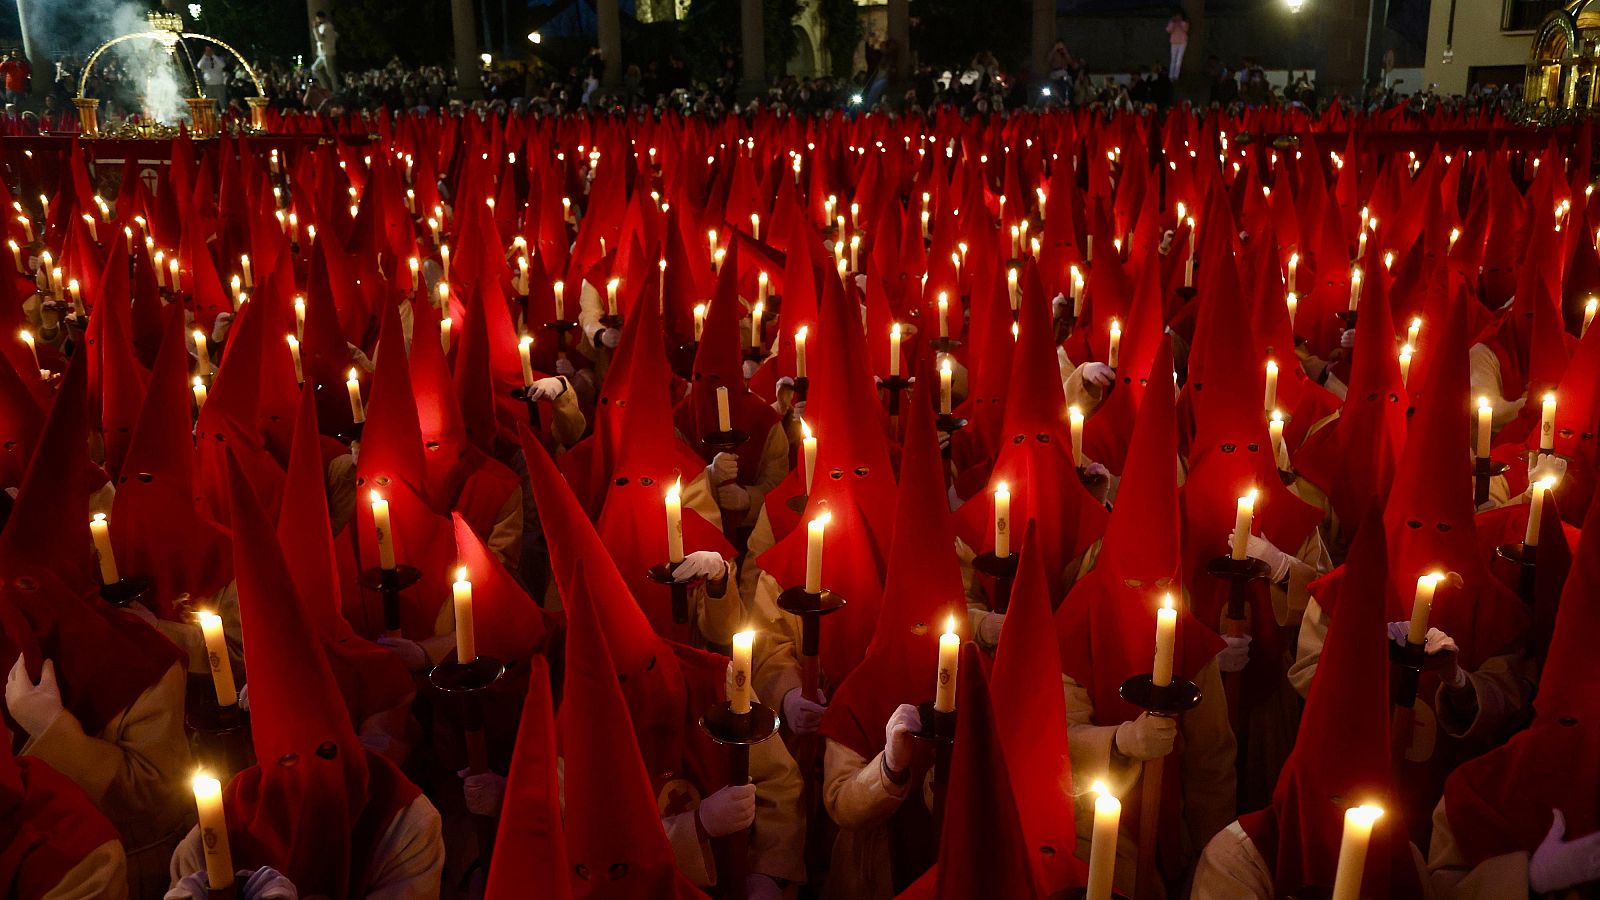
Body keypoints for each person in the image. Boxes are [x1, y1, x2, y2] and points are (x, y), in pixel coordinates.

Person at [311, 11, 339, 92]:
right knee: (314, 68)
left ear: (320, 18)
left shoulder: (327, 27)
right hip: (323, 53)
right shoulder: (326, 26)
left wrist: (315, 29)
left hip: (326, 53)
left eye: (317, 18)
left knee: (330, 72)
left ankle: (335, 90)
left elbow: (320, 39)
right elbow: (335, 35)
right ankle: (325, 88)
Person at [195, 46, 227, 112]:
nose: (209, 52)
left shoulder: (218, 59)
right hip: (209, 85)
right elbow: (199, 66)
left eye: (210, 50)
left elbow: (222, 65)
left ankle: (225, 117)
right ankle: (214, 116)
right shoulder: (204, 60)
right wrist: (205, 56)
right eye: (207, 50)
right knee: (211, 104)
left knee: (222, 102)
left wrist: (213, 55)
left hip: (219, 84)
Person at [1166, 10, 1189, 81]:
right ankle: (1170, 76)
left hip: (1182, 43)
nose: (1178, 17)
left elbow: (1186, 29)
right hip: (1174, 42)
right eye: (1177, 16)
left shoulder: (1184, 23)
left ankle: (1176, 76)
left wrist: (1180, 24)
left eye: (1179, 16)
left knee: (1179, 60)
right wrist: (1173, 23)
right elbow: (1168, 30)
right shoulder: (1172, 22)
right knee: (1173, 59)